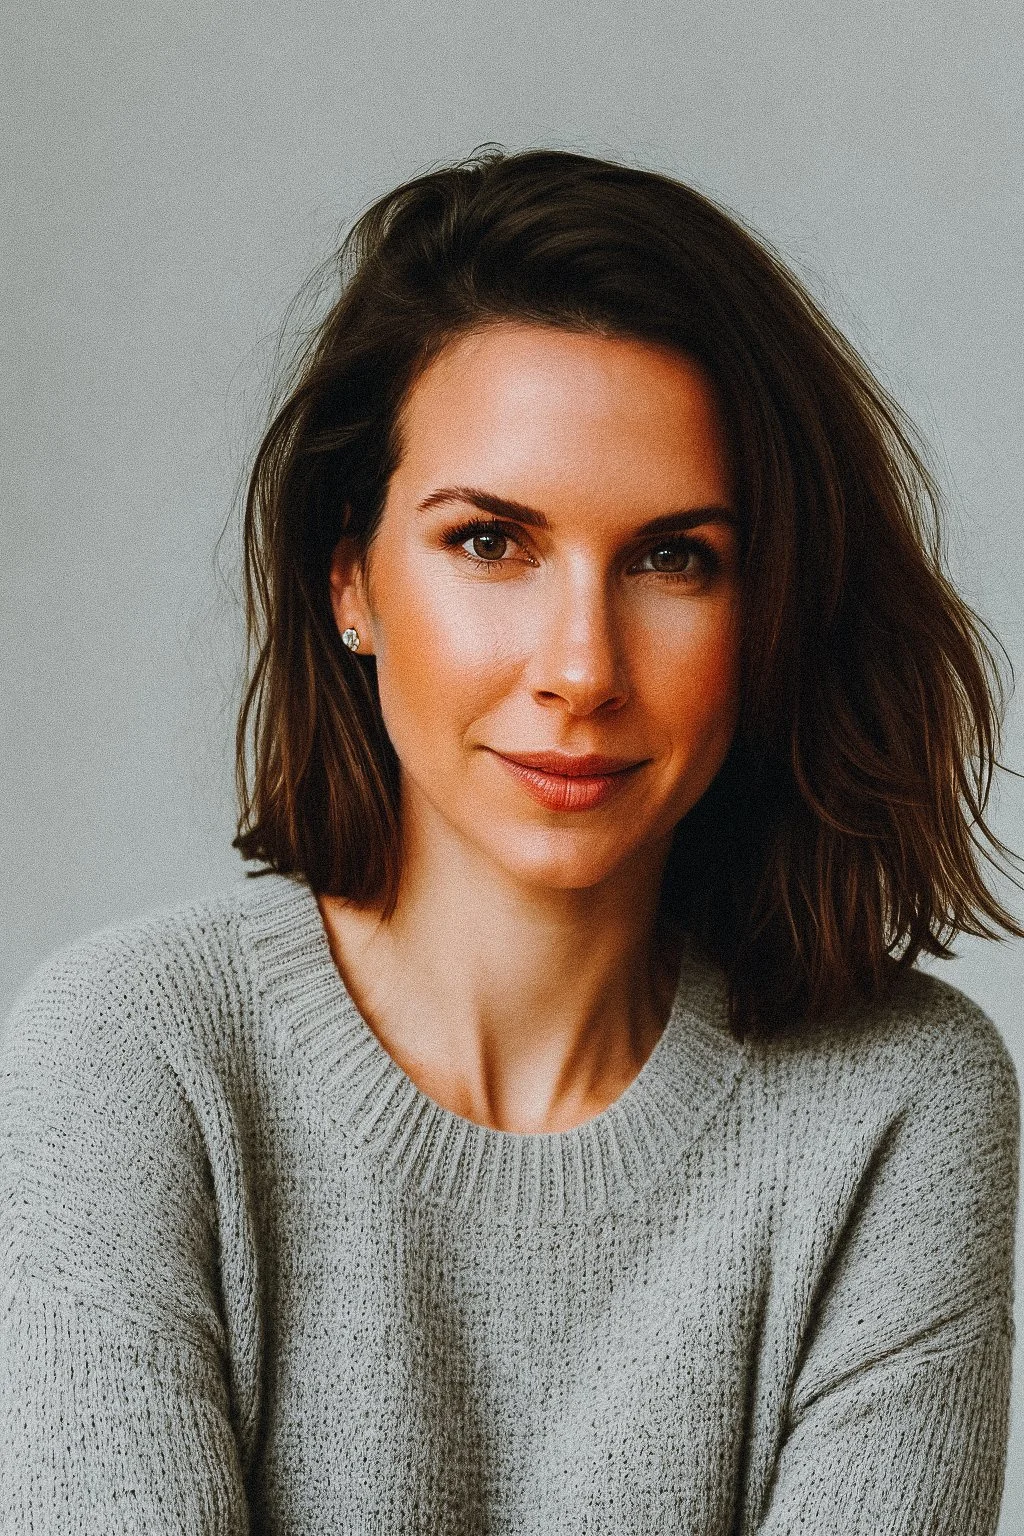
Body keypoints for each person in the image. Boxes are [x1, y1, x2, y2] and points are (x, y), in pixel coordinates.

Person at [1, 146, 1020, 1534]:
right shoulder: (133, 1058)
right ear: (349, 578)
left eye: (674, 558)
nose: (583, 667)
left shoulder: (900, 1108)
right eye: (491, 542)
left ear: (768, 611)